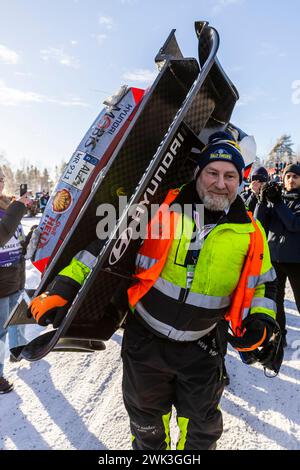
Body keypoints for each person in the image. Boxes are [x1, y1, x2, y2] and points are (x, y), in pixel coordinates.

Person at [29, 132, 279, 450]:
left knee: (200, 437)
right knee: (148, 433)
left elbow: (264, 282)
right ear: (198, 173)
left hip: (202, 348)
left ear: (240, 180)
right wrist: (64, 287)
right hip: (145, 342)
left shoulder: (251, 231)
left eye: (230, 175)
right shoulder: (161, 207)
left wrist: (261, 320)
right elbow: (105, 248)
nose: (220, 183)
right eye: (212, 173)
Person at [255, 163, 300, 347]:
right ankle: (278, 336)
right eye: (288, 176)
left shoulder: (291, 201)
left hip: (296, 261)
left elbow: (294, 224)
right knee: (276, 301)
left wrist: (278, 202)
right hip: (274, 258)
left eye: (295, 177)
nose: (291, 180)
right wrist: (261, 200)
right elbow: (259, 223)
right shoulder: (276, 199)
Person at [0, 168, 32, 394]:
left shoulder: (6, 204)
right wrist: (19, 206)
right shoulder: (12, 207)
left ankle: (18, 349)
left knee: (19, 316)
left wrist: (30, 239)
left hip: (15, 275)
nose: (0, 183)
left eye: (1, 179)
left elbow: (15, 236)